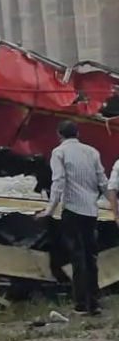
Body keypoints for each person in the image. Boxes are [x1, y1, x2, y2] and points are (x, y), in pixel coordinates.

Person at [37, 120, 116, 316]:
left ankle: (80, 304)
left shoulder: (59, 153)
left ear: (59, 134)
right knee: (91, 257)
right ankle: (94, 303)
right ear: (78, 133)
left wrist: (49, 209)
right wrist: (116, 208)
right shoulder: (92, 152)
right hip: (90, 211)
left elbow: (59, 181)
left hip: (71, 210)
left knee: (77, 257)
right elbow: (103, 183)